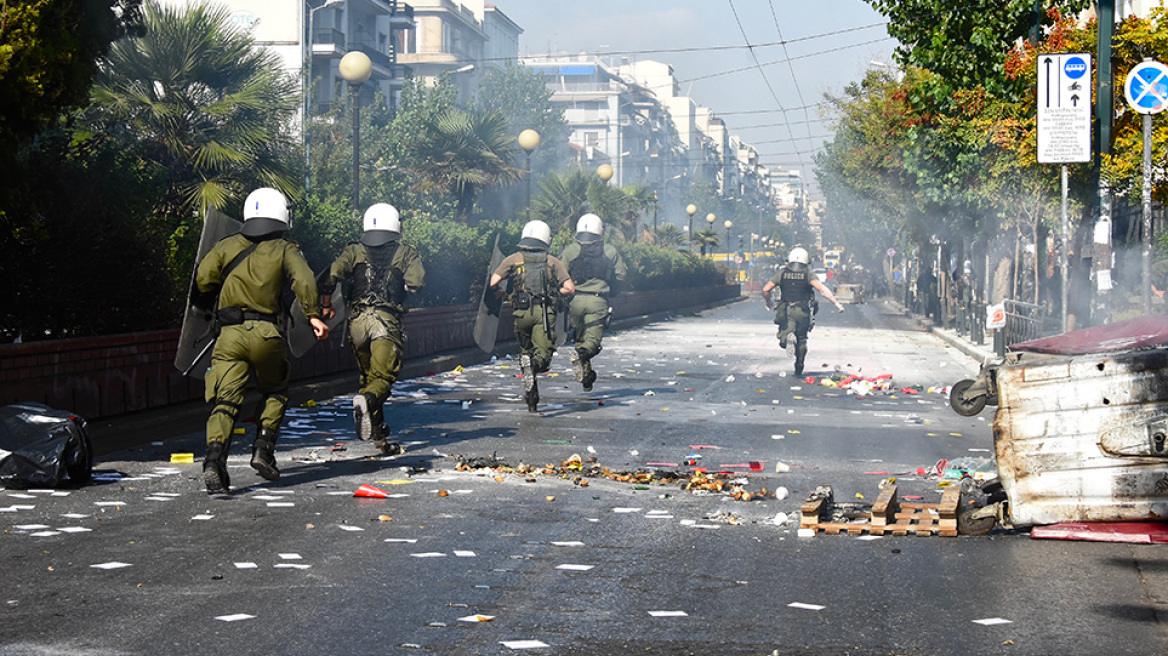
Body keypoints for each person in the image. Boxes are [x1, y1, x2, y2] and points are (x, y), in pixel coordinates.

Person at [193, 187, 329, 494]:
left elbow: (203, 278)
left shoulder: (226, 245)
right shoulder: (285, 249)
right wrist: (314, 315)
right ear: (281, 215)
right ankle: (263, 449)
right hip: (268, 333)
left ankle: (214, 460)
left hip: (229, 336)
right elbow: (305, 281)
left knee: (225, 401)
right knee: (275, 391)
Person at [319, 203, 425, 453]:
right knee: (382, 379)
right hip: (385, 323)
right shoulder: (406, 253)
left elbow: (329, 277)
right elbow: (416, 284)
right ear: (395, 225)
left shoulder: (353, 251)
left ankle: (379, 436)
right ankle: (366, 401)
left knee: (368, 378)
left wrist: (325, 307)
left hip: (356, 323)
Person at [488, 220, 575, 412]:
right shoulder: (552, 261)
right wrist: (556, 293)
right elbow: (569, 288)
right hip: (543, 313)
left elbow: (494, 281)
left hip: (520, 313)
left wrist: (502, 292)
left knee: (526, 352)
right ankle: (533, 369)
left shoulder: (513, 259)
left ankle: (531, 397)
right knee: (542, 356)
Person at [559, 213, 627, 392]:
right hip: (597, 301)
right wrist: (612, 289)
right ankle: (581, 357)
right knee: (593, 341)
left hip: (574, 301)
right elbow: (621, 275)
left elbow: (560, 274)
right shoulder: (610, 251)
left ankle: (587, 377)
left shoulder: (570, 250)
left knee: (580, 338)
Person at [761, 247, 844, 376]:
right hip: (803, 311)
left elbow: (765, 289)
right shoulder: (808, 274)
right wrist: (837, 303)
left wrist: (768, 301)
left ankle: (788, 338)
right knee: (802, 340)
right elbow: (823, 290)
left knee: (784, 338)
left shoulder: (781, 274)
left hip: (786, 310)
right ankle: (799, 364)